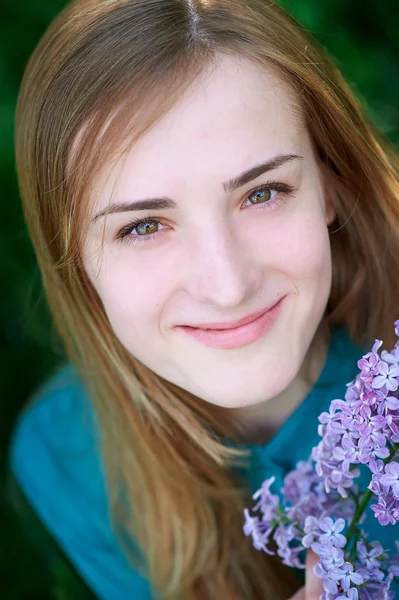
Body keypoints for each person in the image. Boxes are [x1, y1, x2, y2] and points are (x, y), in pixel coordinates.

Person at [9, 0, 399, 598]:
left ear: (330, 184)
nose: (228, 285)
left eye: (263, 192)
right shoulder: (67, 455)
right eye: (142, 227)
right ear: (78, 263)